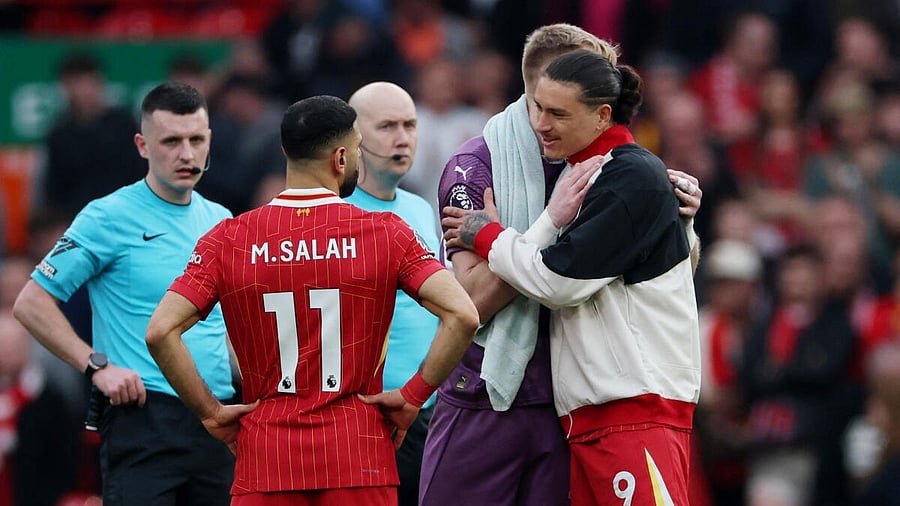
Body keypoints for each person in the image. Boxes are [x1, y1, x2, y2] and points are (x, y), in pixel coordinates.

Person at [144, 95, 480, 505]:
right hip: (358, 454)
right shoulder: (386, 233)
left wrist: (210, 413)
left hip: (266, 459)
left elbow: (160, 331)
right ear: (340, 158)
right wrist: (413, 396)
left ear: (286, 151)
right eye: (357, 149)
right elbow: (462, 314)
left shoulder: (228, 238)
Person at [423, 24, 701, 506]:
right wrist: (547, 226)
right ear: (538, 90)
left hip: (593, 402)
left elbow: (621, 276)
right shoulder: (477, 165)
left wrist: (678, 225)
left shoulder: (618, 168)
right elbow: (470, 303)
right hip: (492, 396)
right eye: (546, 107)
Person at [13, 82, 236, 506]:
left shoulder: (221, 220)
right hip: (144, 418)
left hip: (216, 419)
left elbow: (223, 329)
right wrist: (96, 366)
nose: (186, 154)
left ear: (209, 140)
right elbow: (31, 303)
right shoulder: (107, 216)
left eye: (195, 140)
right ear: (142, 145)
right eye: (171, 141)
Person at [345, 81, 438, 506]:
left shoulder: (420, 208)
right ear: (354, 139)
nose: (402, 138)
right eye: (387, 127)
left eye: (409, 125)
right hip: (366, 413)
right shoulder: (336, 214)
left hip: (427, 407)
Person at [39, 51, 146, 218]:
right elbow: (53, 192)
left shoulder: (124, 125)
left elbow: (141, 175)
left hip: (126, 216)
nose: (82, 91)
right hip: (79, 221)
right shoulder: (59, 135)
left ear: (100, 82)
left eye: (87, 82)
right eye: (74, 84)